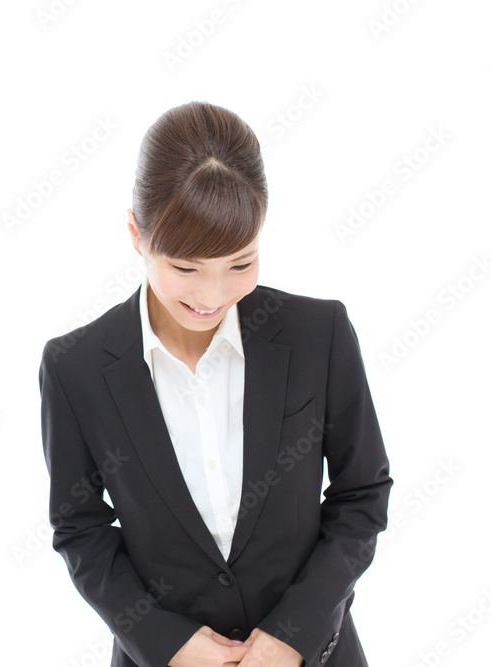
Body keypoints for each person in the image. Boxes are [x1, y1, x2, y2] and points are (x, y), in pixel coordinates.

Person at [38, 101, 391, 666]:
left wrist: (293, 634)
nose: (212, 296)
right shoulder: (74, 367)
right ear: (136, 233)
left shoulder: (319, 334)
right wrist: (164, 642)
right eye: (185, 268)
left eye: (240, 264)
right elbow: (79, 526)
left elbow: (361, 495)